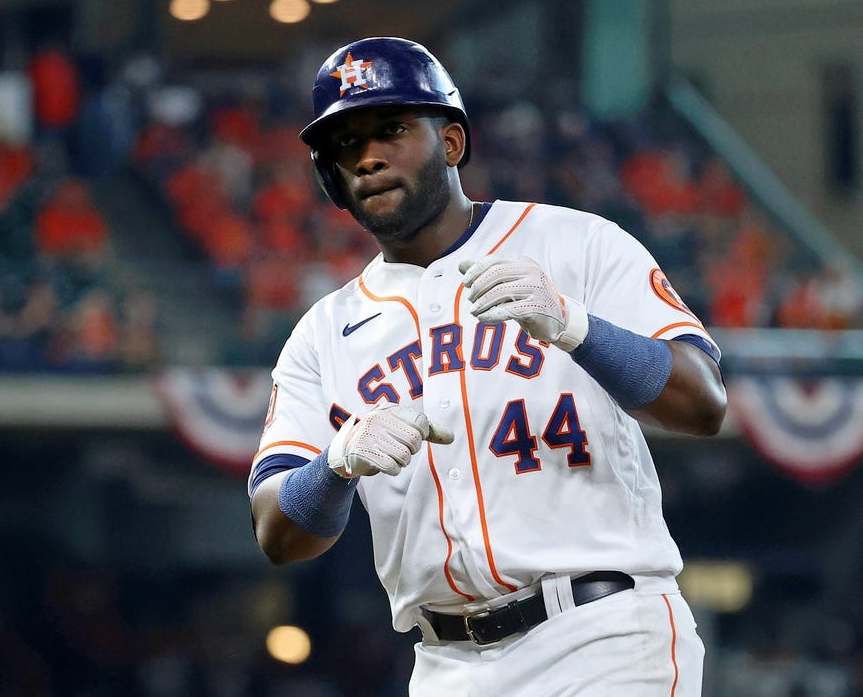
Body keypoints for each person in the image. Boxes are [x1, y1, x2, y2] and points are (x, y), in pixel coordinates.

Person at [247, 37, 727, 696]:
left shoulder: (576, 244)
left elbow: (703, 403)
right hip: (446, 665)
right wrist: (334, 465)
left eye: (390, 128)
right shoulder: (321, 335)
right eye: (345, 145)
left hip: (603, 635)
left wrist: (577, 326)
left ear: (450, 142)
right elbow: (276, 530)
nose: (368, 156)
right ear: (330, 177)